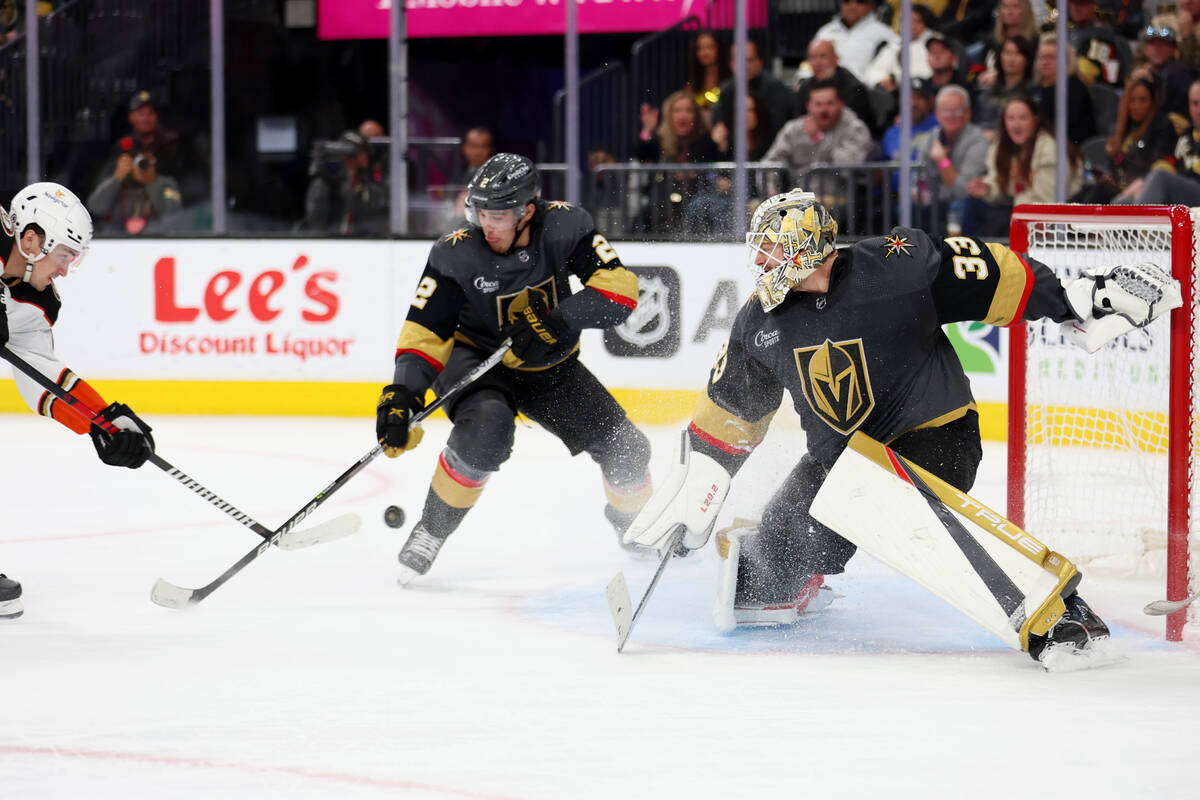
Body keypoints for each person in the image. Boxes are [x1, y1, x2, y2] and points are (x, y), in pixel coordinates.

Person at [622, 188, 1176, 664]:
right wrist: (699, 486)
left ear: (804, 246)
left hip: (934, 439)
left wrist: (1082, 299)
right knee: (761, 575)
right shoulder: (759, 322)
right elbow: (730, 416)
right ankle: (805, 569)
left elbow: (999, 277)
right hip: (841, 463)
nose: (761, 261)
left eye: (771, 248)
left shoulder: (898, 265)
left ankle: (1058, 615)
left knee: (892, 509)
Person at [375, 154, 653, 584]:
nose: (488, 224)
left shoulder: (565, 227)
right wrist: (401, 395)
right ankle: (431, 529)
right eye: (481, 212)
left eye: (499, 215)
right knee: (487, 429)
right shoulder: (455, 254)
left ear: (527, 211)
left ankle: (637, 528)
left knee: (629, 451)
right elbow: (425, 333)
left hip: (549, 366)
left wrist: (558, 319)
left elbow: (620, 291)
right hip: (477, 362)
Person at [0, 182, 156, 619]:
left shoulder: (37, 303)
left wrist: (103, 422)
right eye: (65, 255)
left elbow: (40, 377)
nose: (66, 270)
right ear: (31, 239)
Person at [966, 95, 1082, 235]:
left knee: (998, 222)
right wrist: (988, 188)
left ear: (1035, 119)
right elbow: (998, 182)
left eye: (1023, 118)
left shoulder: (1050, 149)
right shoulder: (1000, 147)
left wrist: (1021, 185)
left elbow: (1047, 200)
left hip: (1051, 218)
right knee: (970, 205)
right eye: (1011, 118)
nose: (1016, 124)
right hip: (1017, 210)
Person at [1087, 75, 1177, 203]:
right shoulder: (1122, 130)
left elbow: (1158, 167)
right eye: (1132, 100)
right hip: (1121, 188)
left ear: (1152, 102)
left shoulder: (1162, 126)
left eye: (1143, 100)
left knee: (1103, 194)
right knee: (1092, 189)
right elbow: (1114, 167)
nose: (1136, 106)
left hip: (1146, 191)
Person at [913, 85, 989, 232]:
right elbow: (920, 183)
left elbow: (962, 192)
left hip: (967, 206)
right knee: (906, 208)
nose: (950, 115)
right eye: (945, 110)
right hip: (936, 204)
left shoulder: (978, 140)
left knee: (960, 206)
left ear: (968, 113)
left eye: (957, 110)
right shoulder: (929, 139)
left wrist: (942, 161)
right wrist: (917, 192)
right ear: (937, 113)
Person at [763, 79, 874, 172]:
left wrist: (818, 137)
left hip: (841, 196)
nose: (824, 110)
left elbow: (849, 167)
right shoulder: (794, 129)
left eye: (830, 103)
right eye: (818, 104)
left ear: (841, 104)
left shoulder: (856, 128)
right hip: (799, 195)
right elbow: (771, 162)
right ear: (808, 106)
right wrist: (772, 189)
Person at [86, 137, 184, 236]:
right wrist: (117, 178)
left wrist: (151, 182)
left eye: (137, 158)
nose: (133, 164)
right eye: (129, 160)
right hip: (115, 240)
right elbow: (95, 208)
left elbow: (174, 216)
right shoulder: (111, 179)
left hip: (154, 239)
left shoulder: (165, 183)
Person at [299, 130, 389, 234]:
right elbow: (317, 225)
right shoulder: (324, 187)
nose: (349, 161)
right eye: (346, 156)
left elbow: (376, 226)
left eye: (356, 155)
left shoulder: (374, 192)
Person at [710, 39, 795, 147]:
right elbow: (718, 123)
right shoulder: (726, 91)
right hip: (734, 152)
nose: (745, 65)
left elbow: (779, 128)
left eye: (749, 60)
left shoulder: (776, 89)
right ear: (731, 64)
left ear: (760, 61)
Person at [794, 39, 880, 139]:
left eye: (822, 56)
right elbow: (798, 119)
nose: (817, 62)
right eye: (813, 57)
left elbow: (855, 128)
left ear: (836, 58)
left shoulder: (854, 88)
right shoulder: (805, 87)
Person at [1136, 78, 1200, 204]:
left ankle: (1136, 223)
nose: (1199, 110)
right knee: (1125, 199)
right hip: (1182, 192)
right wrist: (1143, 180)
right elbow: (1171, 163)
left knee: (1160, 178)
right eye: (1195, 103)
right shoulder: (1186, 135)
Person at [812, 0, 898, 85]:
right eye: (847, 1)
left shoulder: (884, 33)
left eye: (859, 2)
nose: (852, 6)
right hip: (827, 88)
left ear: (871, 5)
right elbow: (811, 63)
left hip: (865, 89)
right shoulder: (825, 32)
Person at [1034, 34, 1097, 145]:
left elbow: (1066, 126)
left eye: (1051, 57)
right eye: (1042, 57)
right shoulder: (1035, 87)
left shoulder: (1073, 88)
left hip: (1068, 148)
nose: (1045, 62)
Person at [971, 35, 1038, 134]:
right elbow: (976, 122)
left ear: (1027, 59)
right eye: (1007, 53)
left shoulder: (1033, 92)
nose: (1011, 59)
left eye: (1018, 53)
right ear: (1000, 56)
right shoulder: (986, 92)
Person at [1067, 0, 1132, 88]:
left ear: (1094, 5)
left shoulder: (1110, 38)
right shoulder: (1063, 35)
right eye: (1072, 3)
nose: (1076, 8)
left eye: (1081, 4)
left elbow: (1117, 80)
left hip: (1101, 93)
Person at [685, 30, 731, 126]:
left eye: (710, 47)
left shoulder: (730, 79)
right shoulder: (693, 82)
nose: (705, 53)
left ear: (719, 49)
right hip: (698, 130)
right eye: (700, 49)